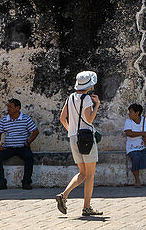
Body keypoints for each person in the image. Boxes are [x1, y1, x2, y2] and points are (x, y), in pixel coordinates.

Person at [54, 71, 102, 217]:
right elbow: (89, 119)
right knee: (90, 175)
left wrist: (72, 132)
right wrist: (97, 105)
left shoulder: (70, 98)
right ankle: (86, 207)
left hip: (74, 137)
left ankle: (64, 195)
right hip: (86, 138)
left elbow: (62, 118)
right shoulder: (87, 99)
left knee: (82, 173)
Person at [0, 98, 38, 189]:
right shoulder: (5, 120)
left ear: (17, 108)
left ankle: (26, 182)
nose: (8, 109)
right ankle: (1, 183)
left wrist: (28, 142)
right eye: (8, 106)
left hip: (22, 147)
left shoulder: (25, 119)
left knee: (29, 158)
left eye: (10, 107)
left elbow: (35, 131)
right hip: (8, 147)